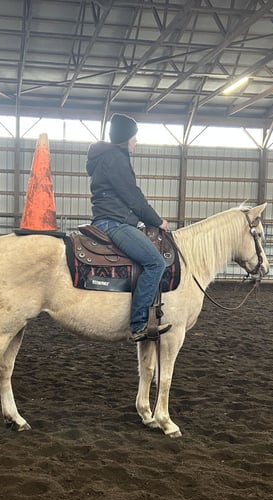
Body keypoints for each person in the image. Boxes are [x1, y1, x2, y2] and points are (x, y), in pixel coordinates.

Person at [86, 113, 172, 342]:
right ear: (126, 138)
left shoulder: (107, 157)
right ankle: (139, 324)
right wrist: (157, 221)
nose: (136, 141)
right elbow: (133, 197)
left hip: (109, 218)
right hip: (113, 222)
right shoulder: (115, 158)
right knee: (156, 263)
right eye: (134, 137)